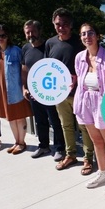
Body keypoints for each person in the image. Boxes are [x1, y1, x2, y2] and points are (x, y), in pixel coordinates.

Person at [45, 8, 94, 172]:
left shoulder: (80, 42)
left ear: (71, 25)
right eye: (58, 24)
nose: (61, 27)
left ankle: (88, 158)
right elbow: (46, 69)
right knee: (66, 126)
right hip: (59, 95)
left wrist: (78, 79)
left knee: (84, 126)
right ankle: (70, 155)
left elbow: (91, 65)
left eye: (65, 24)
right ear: (53, 24)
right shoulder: (50, 43)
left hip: (80, 94)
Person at [73, 23, 105, 179]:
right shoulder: (79, 58)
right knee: (96, 140)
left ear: (97, 36)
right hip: (86, 103)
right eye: (83, 34)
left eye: (90, 33)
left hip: (103, 103)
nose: (87, 37)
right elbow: (80, 80)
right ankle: (102, 172)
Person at [21, 20, 65, 161]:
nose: (30, 34)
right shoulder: (26, 48)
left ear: (39, 31)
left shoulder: (48, 46)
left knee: (55, 121)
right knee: (40, 121)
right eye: (27, 32)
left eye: (33, 31)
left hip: (50, 91)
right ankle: (44, 146)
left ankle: (59, 148)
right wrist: (25, 88)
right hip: (34, 93)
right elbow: (24, 69)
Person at [0, 24, 32, 154]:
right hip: (2, 91)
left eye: (3, 35)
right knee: (11, 118)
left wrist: (24, 87)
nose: (0, 38)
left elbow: (24, 70)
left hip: (15, 90)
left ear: (8, 36)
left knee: (20, 117)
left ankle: (22, 142)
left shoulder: (16, 50)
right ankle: (17, 141)